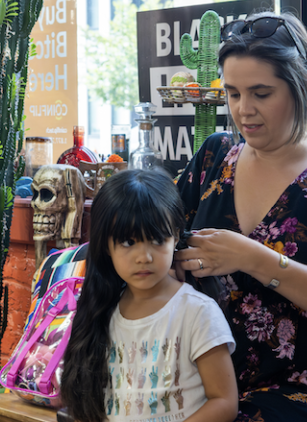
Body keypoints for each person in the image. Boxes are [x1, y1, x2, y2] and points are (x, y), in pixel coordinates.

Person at [173, 12, 307, 422]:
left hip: (297, 393)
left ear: (302, 87)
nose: (244, 111)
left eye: (261, 93)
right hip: (198, 379)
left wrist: (251, 257)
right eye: (234, 94)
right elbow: (162, 245)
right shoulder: (214, 155)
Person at [61, 169, 238, 422]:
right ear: (105, 245)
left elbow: (224, 402)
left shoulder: (198, 312)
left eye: (156, 239)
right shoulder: (103, 311)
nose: (144, 256)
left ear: (176, 235)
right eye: (127, 242)